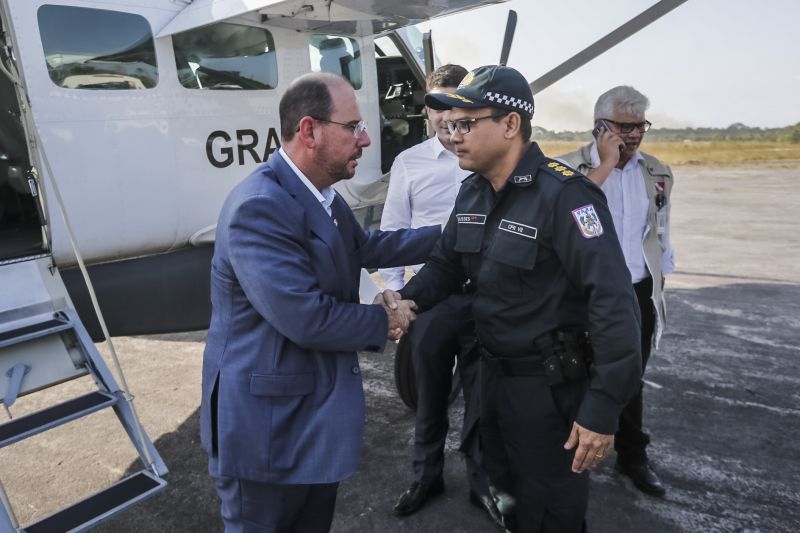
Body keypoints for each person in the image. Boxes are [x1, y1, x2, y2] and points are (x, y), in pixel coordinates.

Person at [382, 65, 642, 532]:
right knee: (507, 499)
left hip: (549, 393)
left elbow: (614, 303)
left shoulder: (566, 196)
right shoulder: (473, 192)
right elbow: (445, 265)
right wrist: (407, 300)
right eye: (450, 124)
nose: (453, 135)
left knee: (551, 513)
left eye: (466, 123)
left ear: (509, 124)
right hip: (490, 385)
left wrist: (602, 410)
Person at [199, 72, 442, 533]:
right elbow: (306, 318)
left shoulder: (321, 196)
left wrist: (452, 238)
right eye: (353, 127)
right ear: (309, 130)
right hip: (266, 433)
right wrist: (388, 318)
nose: (366, 138)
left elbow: (366, 248)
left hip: (308, 422)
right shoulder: (260, 205)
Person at [381, 64, 503, 527]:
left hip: (484, 298)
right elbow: (392, 231)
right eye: (436, 105)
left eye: (454, 103)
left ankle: (481, 481)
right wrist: (396, 300)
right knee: (428, 399)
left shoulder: (488, 156)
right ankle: (425, 476)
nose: (444, 114)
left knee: (481, 397)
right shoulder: (410, 162)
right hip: (429, 300)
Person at [557, 86, 675, 497]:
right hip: (582, 292)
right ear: (599, 126)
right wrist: (605, 164)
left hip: (636, 289)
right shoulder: (568, 169)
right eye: (624, 126)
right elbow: (571, 214)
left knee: (629, 375)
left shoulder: (655, 171)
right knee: (573, 372)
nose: (634, 135)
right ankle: (568, 451)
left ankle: (631, 454)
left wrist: (662, 276)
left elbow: (660, 228)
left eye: (640, 125)